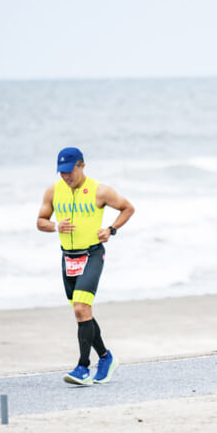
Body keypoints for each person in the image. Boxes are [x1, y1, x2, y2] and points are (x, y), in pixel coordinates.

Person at [37, 147, 135, 385]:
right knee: (82, 312)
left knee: (81, 309)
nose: (66, 176)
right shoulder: (53, 191)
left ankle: (82, 367)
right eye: (61, 172)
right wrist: (56, 226)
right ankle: (105, 357)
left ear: (81, 165)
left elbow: (128, 208)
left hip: (92, 254)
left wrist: (111, 230)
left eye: (69, 171)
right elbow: (41, 221)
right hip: (68, 258)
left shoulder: (100, 191)